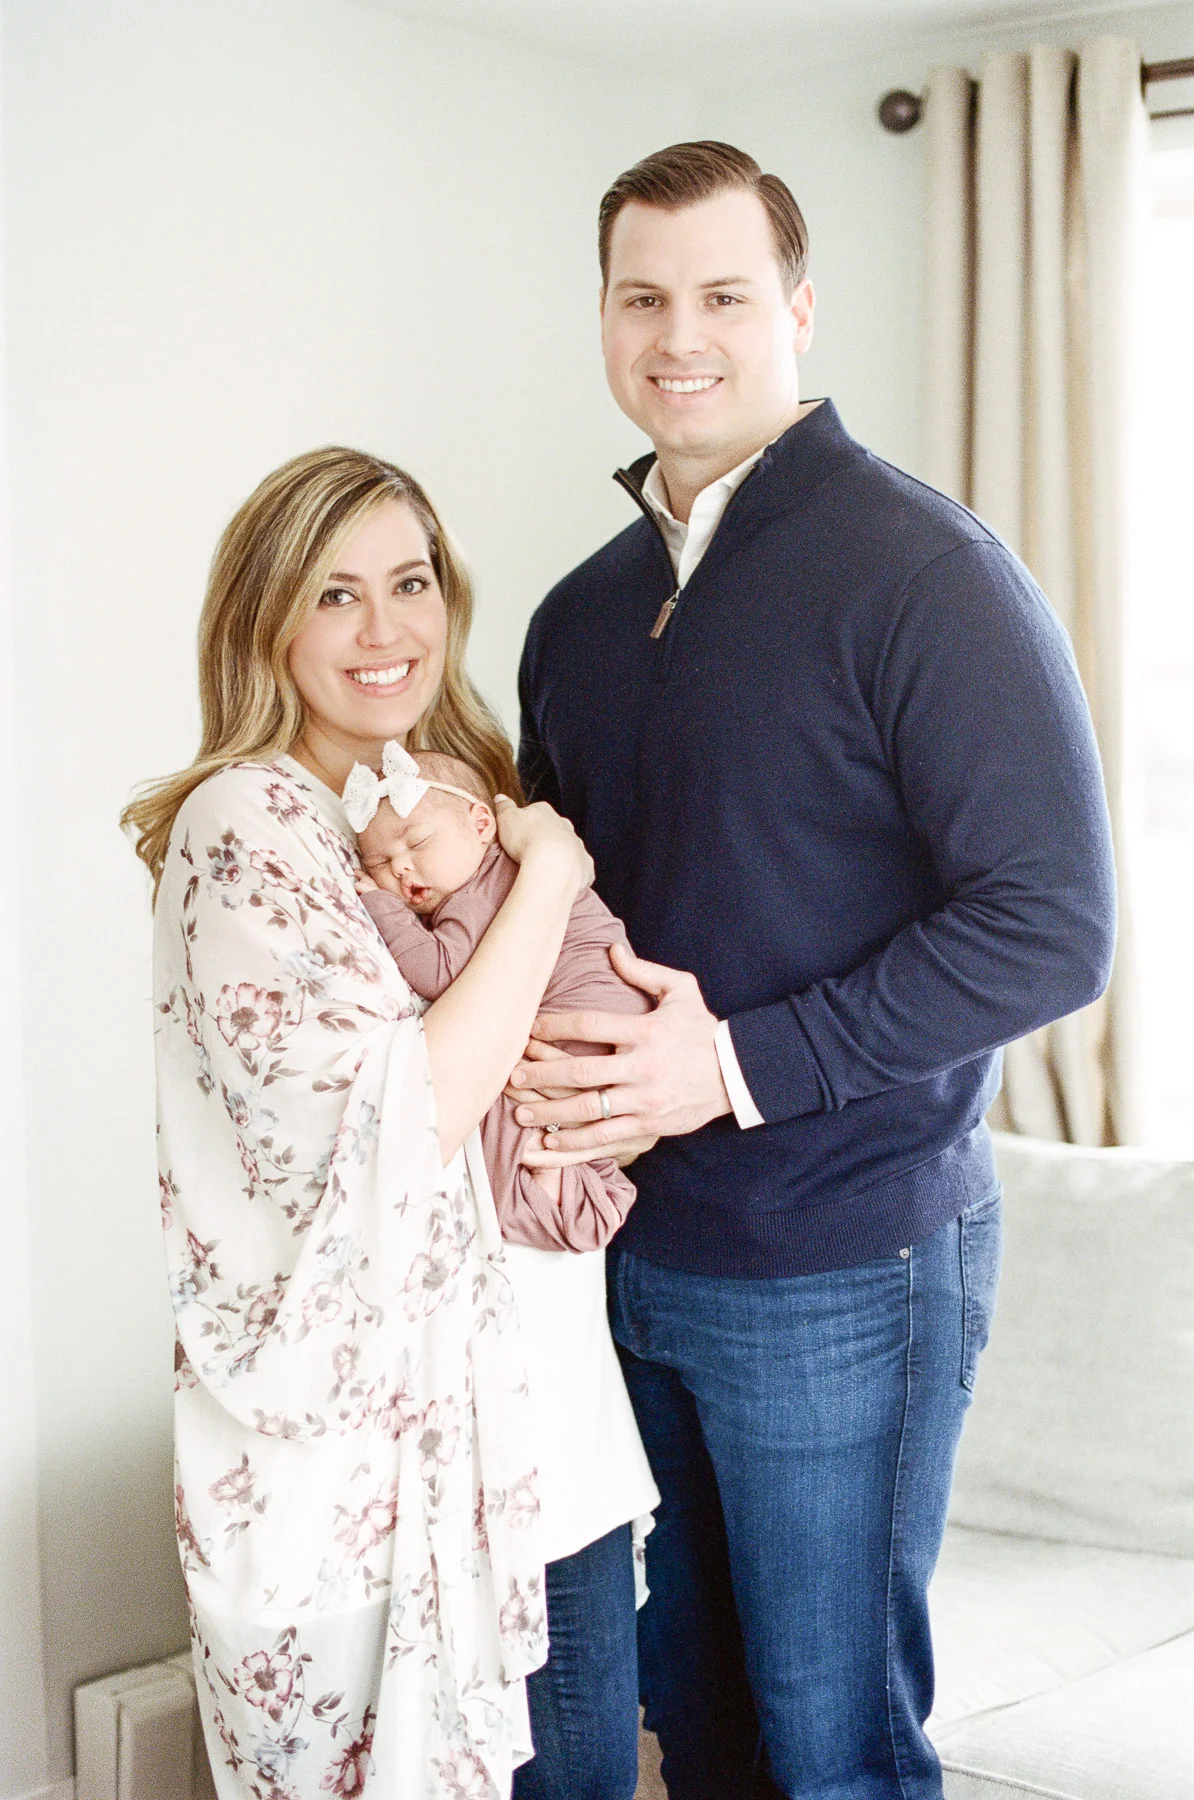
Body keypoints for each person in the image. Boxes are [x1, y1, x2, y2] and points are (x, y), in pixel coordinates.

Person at [513, 143, 1117, 1798]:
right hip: (627, 1255)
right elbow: (559, 915)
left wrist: (727, 1063)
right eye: (641, 297)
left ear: (795, 309)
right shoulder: (575, 617)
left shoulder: (924, 573)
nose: (677, 335)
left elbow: (1052, 925)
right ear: (602, 318)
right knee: (696, 1728)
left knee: (830, 1750)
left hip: (842, 1252)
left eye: (721, 293)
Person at [122, 448, 656, 1800]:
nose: (384, 630)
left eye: (409, 584)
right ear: (268, 620)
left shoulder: (462, 786)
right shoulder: (249, 827)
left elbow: (571, 1040)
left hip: (549, 1439)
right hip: (366, 1479)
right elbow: (412, 1112)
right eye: (335, 593)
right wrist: (552, 876)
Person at [346, 739, 651, 1252]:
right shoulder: (490, 879)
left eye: (418, 843)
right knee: (531, 1128)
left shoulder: (481, 889)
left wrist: (381, 905)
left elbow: (438, 972)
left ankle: (564, 1206)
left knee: (496, 1133)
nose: (400, 868)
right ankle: (571, 1190)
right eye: (379, 862)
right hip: (610, 1025)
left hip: (581, 1024)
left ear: (482, 825)